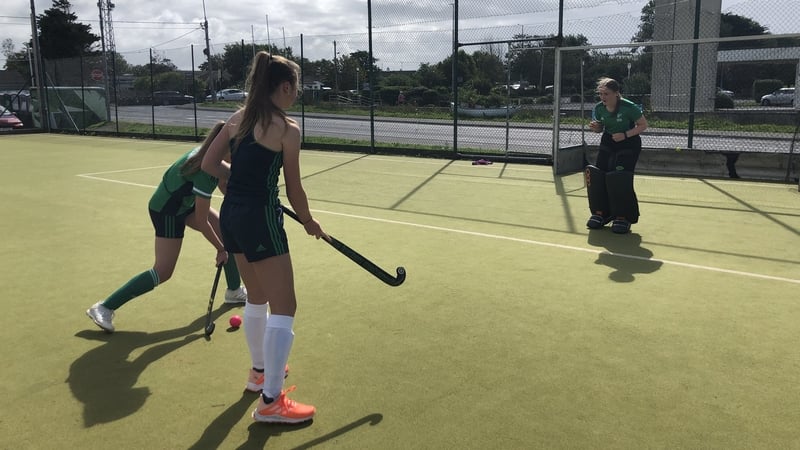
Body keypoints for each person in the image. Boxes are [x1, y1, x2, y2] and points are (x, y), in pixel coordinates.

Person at [201, 52, 326, 425]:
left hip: (232, 217)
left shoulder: (237, 119)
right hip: (259, 218)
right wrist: (308, 221)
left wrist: (236, 181)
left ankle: (259, 373)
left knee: (257, 299)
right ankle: (271, 400)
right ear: (284, 87)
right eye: (296, 89)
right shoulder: (287, 129)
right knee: (284, 306)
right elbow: (294, 188)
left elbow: (208, 165)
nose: (296, 96)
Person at [86, 122, 248, 333]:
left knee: (227, 232)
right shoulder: (206, 170)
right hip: (167, 211)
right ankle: (104, 307)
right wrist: (220, 249)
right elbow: (201, 220)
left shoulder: (209, 154)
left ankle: (234, 291)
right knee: (163, 271)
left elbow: (224, 182)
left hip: (182, 204)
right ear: (225, 147)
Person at [585, 77, 648, 234]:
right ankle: (601, 213)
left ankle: (623, 217)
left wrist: (625, 135)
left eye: (606, 94)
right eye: (601, 94)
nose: (603, 97)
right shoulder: (599, 108)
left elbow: (643, 125)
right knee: (599, 175)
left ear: (616, 94)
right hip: (609, 141)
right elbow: (601, 127)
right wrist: (597, 128)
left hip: (629, 143)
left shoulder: (629, 107)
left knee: (620, 177)